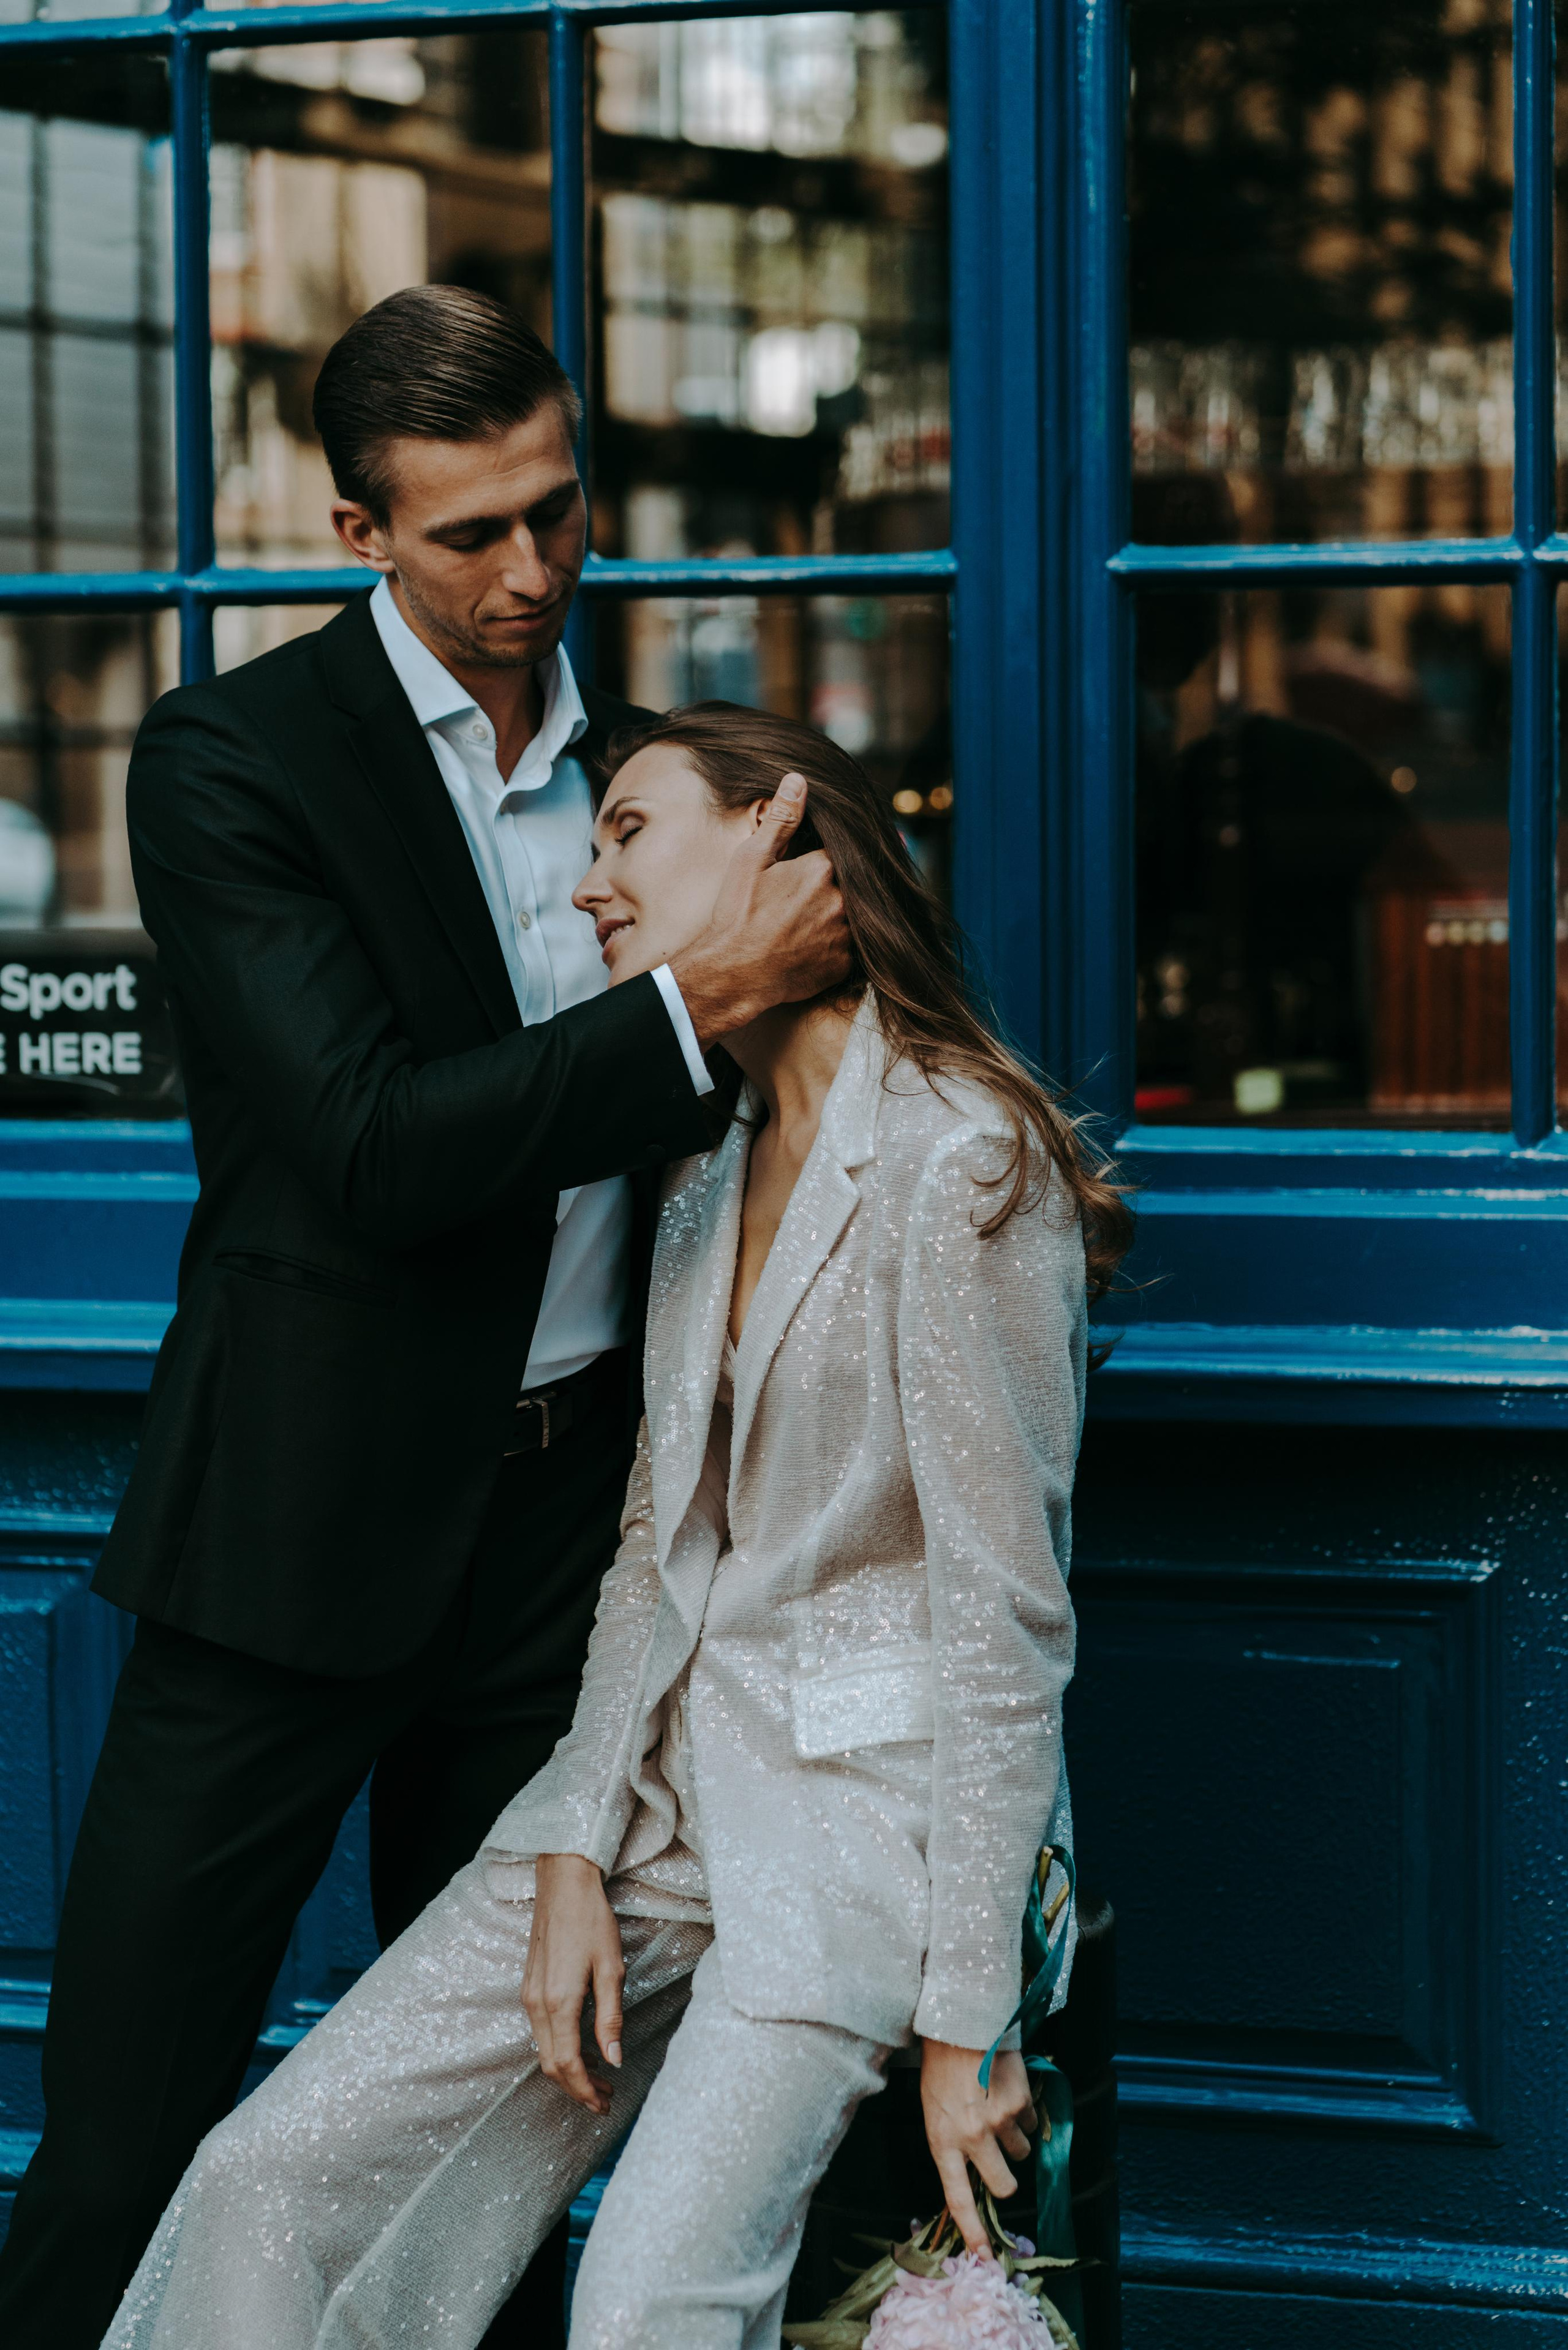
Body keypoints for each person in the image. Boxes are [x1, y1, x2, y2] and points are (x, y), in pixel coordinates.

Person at [0, 293, 851, 2350]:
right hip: (288, 1537)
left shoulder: (665, 773)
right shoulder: (230, 758)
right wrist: (699, 1000)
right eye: (471, 534)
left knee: (487, 2134)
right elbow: (370, 1144)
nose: (534, 574)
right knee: (126, 2134)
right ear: (359, 529)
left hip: (572, 1548)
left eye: (560, 513)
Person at [100, 702, 1131, 2350]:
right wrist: (575, 1838)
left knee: (645, 2307)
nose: (588, 881)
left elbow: (1004, 1614)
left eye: (629, 831)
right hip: (653, 1799)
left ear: (780, 837)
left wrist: (968, 2013)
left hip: (863, 1833)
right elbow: (657, 1538)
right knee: (269, 2173)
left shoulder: (962, 1159)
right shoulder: (699, 1158)